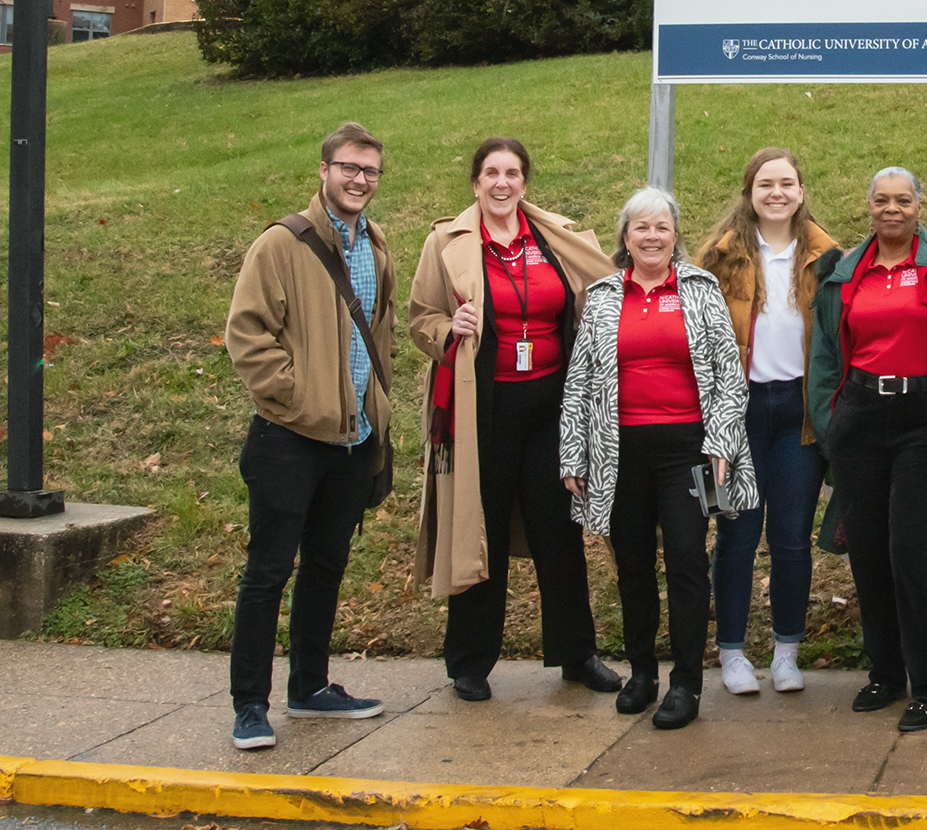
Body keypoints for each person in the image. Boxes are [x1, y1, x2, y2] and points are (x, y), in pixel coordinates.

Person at [408, 137, 622, 703]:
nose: (502, 183)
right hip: (487, 406)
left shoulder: (553, 236)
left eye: (513, 173)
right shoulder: (446, 242)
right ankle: (471, 662)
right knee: (484, 530)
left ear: (525, 182)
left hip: (552, 405)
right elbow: (420, 318)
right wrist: (447, 329)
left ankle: (577, 655)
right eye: (491, 173)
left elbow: (597, 294)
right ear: (475, 182)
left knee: (559, 530)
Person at [221, 122, 399, 750]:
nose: (359, 180)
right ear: (323, 170)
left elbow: (379, 337)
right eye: (349, 167)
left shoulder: (376, 246)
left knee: (326, 566)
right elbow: (248, 335)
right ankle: (250, 705)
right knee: (268, 571)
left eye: (370, 171)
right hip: (289, 438)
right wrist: (298, 400)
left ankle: (310, 686)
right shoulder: (281, 244)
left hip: (352, 441)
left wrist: (374, 410)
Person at [807, 167, 927, 732]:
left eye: (903, 200)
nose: (891, 209)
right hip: (861, 420)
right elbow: (824, 355)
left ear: (921, 207)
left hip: (922, 421)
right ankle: (886, 673)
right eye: (880, 200)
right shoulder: (847, 273)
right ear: (868, 206)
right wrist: (831, 425)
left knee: (908, 553)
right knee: (866, 549)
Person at [559, 189, 757, 729]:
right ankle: (642, 671)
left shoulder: (699, 288)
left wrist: (721, 443)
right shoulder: (601, 296)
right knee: (633, 566)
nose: (651, 236)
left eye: (662, 227)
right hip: (619, 451)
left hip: (688, 450)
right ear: (624, 236)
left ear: (675, 235)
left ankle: (687, 682)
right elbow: (579, 382)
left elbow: (727, 376)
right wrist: (573, 454)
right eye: (640, 227)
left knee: (689, 562)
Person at [696, 148, 839, 696]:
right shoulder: (720, 255)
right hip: (738, 414)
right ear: (749, 192)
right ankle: (731, 653)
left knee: (791, 539)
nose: (776, 193)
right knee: (734, 533)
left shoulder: (829, 258)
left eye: (786, 183)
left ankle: (786, 651)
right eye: (765, 184)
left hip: (798, 415)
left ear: (802, 192)